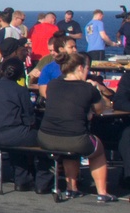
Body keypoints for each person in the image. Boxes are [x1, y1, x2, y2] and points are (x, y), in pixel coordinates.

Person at [37, 52, 116, 202]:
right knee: (97, 150)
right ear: (80, 68)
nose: (88, 72)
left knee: (70, 149)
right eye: (87, 69)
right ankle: (102, 192)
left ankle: (71, 188)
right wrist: (97, 91)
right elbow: (100, 109)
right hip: (75, 138)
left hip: (45, 137)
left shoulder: (53, 85)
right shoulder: (87, 88)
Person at [0, 57, 52, 194]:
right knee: (46, 140)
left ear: (1, 71)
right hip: (11, 134)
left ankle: (22, 179)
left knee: (17, 140)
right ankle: (43, 182)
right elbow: (29, 119)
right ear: (20, 74)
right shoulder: (20, 91)